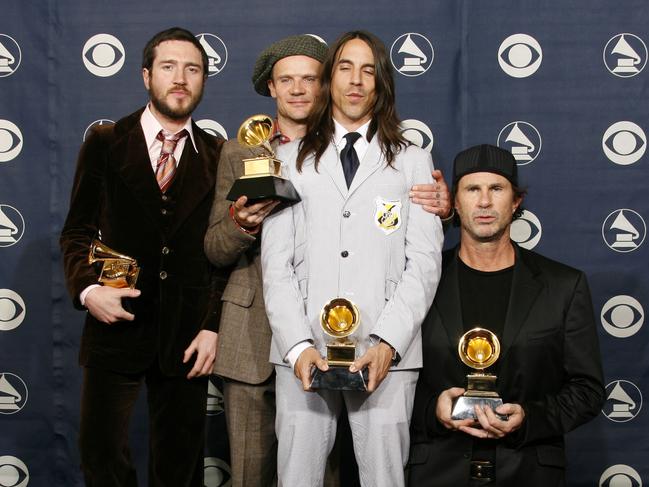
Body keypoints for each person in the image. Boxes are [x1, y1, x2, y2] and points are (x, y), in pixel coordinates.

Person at [203, 33, 451, 487]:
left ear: (381, 83)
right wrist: (297, 347)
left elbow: (424, 265)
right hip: (305, 353)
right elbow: (275, 266)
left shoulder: (414, 161)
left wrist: (387, 343)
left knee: (384, 480)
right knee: (296, 478)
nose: (356, 81)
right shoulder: (287, 159)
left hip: (386, 354)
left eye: (368, 70)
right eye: (345, 68)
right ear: (329, 80)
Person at [60, 27, 225, 486]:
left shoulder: (219, 155)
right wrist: (89, 291)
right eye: (169, 67)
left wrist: (213, 325)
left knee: (181, 467)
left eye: (192, 69)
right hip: (115, 325)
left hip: (188, 338)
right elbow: (75, 233)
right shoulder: (106, 142)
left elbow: (224, 255)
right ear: (146, 75)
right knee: (102, 455)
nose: (181, 78)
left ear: (203, 81)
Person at [408, 144, 605, 486]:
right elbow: (393, 374)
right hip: (439, 471)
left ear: (515, 201)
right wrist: (431, 410)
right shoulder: (419, 279)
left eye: (496, 189)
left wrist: (529, 418)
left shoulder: (563, 285)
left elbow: (587, 390)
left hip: (528, 470)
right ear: (454, 202)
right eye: (472, 189)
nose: (484, 202)